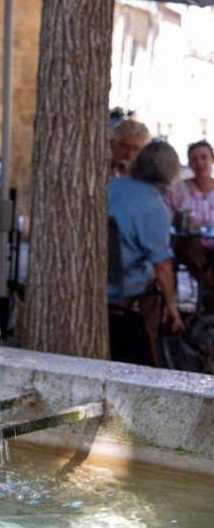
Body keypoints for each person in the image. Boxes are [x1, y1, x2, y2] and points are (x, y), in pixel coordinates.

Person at [109, 140, 185, 363]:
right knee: (156, 284)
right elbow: (162, 265)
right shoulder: (156, 209)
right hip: (120, 283)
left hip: (91, 273)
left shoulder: (111, 185)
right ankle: (150, 350)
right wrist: (172, 305)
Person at [165, 140, 214, 311]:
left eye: (204, 158)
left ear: (211, 160)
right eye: (195, 159)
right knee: (190, 244)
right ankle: (210, 288)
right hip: (189, 244)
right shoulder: (179, 189)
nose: (200, 163)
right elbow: (166, 217)